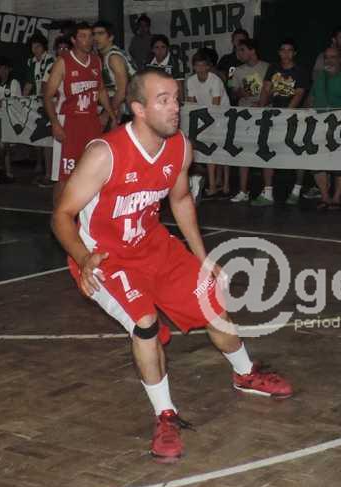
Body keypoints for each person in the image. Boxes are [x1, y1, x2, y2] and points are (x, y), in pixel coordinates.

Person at [52, 68, 293, 463]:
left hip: (154, 246)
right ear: (138, 109)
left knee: (212, 300)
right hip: (106, 258)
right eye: (163, 100)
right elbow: (61, 214)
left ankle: (245, 373)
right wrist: (82, 260)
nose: (175, 107)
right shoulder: (105, 153)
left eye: (176, 99)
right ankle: (165, 415)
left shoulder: (180, 146)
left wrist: (203, 257)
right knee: (145, 324)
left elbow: (180, 201)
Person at [44, 21, 116, 205]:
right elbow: (48, 96)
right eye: (83, 36)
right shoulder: (63, 62)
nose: (88, 40)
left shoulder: (96, 60)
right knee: (64, 176)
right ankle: (58, 217)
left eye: (90, 36)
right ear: (74, 40)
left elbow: (101, 89)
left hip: (91, 121)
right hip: (68, 122)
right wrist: (55, 124)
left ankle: (86, 215)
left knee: (93, 171)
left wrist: (111, 114)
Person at [257, 38, 309, 206]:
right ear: (279, 52)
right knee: (267, 151)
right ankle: (268, 192)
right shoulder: (273, 68)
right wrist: (261, 108)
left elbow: (299, 94)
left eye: (289, 50)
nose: (286, 53)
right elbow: (266, 89)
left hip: (294, 117)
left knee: (298, 153)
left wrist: (286, 114)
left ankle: (296, 190)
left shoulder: (300, 71)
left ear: (294, 53)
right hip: (273, 116)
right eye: (283, 50)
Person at [308, 46, 341, 209]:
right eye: (327, 57)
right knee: (316, 162)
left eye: (333, 57)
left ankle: (337, 197)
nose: (329, 60)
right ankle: (325, 196)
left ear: (340, 59)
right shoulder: (319, 76)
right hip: (319, 125)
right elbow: (311, 98)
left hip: (340, 125)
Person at [186, 50, 230, 197]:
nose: (200, 68)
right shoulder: (191, 81)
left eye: (203, 65)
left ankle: (224, 184)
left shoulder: (215, 80)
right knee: (209, 152)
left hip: (222, 115)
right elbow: (191, 104)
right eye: (197, 65)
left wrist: (207, 123)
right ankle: (214, 183)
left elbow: (216, 106)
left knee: (223, 151)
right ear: (193, 67)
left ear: (208, 66)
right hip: (204, 117)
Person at [230, 38, 269, 202]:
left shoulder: (267, 67)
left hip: (264, 114)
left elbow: (274, 90)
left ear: (252, 50)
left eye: (242, 50)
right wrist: (241, 93)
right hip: (245, 115)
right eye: (238, 50)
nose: (239, 54)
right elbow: (233, 91)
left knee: (266, 151)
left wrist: (263, 102)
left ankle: (268, 190)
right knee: (243, 152)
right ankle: (243, 190)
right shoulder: (236, 70)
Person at [23, 32, 55, 187]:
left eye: (37, 46)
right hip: (37, 103)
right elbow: (29, 84)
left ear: (44, 47)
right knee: (36, 134)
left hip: (50, 102)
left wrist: (42, 100)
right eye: (32, 47)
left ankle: (49, 172)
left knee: (47, 138)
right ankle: (39, 164)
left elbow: (45, 84)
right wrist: (23, 100)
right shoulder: (31, 61)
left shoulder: (51, 60)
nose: (35, 49)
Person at [93, 20, 138, 123]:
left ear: (111, 37)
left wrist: (106, 114)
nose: (96, 38)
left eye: (100, 34)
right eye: (94, 34)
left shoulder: (114, 57)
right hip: (123, 108)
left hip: (128, 111)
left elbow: (122, 91)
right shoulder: (107, 55)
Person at [146, 34, 185, 101]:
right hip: (153, 96)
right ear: (152, 49)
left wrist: (181, 102)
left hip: (170, 97)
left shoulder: (176, 62)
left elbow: (179, 86)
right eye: (157, 47)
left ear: (168, 48)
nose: (160, 50)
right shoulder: (148, 62)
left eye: (163, 47)